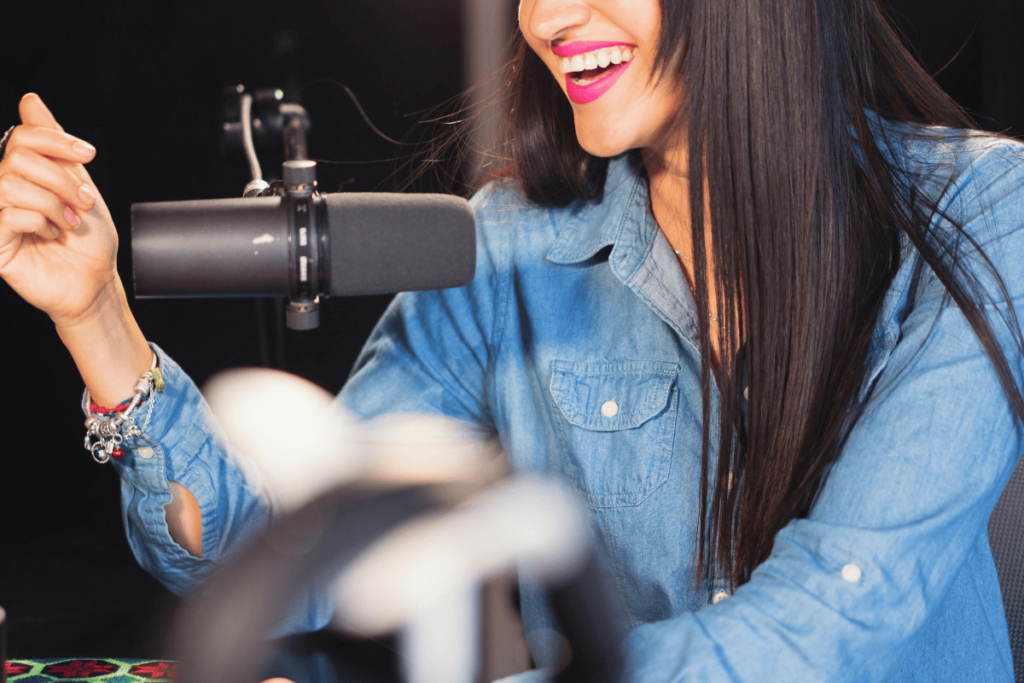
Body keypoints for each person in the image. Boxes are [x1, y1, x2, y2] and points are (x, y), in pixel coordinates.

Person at [1, 0, 1022, 679]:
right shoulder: (505, 244)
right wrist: (95, 315)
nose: (546, 15)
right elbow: (291, 554)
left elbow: (835, 614)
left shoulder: (985, 213)